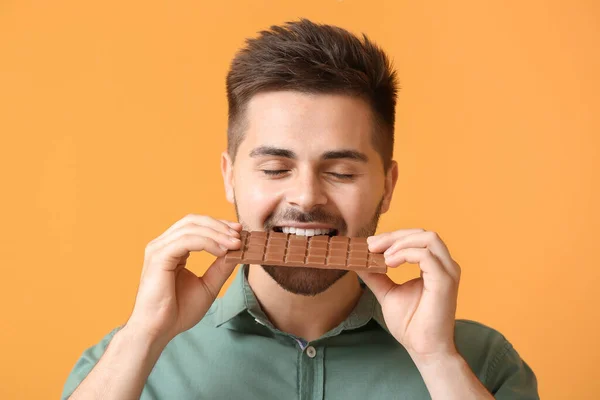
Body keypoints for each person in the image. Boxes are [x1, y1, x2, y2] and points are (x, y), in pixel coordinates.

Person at [62, 19, 539, 399]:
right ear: (230, 177)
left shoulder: (481, 363)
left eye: (342, 172)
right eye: (274, 169)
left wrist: (438, 361)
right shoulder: (124, 363)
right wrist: (143, 337)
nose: (307, 198)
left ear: (387, 187)